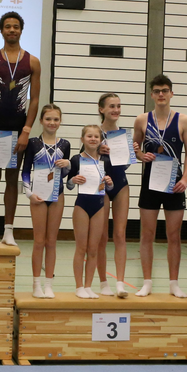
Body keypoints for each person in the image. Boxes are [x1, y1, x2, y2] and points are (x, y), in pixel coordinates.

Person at [0, 11, 41, 246]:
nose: (12, 30)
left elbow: (34, 99)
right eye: (8, 26)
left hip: (17, 125)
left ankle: (8, 230)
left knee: (12, 178)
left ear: (21, 30)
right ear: (1, 30)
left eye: (16, 26)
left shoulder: (32, 61)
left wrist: (26, 130)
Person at [133, 74, 187, 298]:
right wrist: (141, 156)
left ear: (171, 93)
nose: (161, 94)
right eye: (157, 91)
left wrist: (185, 179)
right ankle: (147, 282)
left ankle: (174, 283)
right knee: (147, 234)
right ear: (151, 94)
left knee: (173, 235)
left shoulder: (183, 120)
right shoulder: (142, 120)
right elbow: (135, 149)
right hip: (150, 183)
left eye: (165, 91)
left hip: (174, 184)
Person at [21, 104, 70, 299]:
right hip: (38, 196)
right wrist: (29, 193)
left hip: (57, 195)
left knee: (51, 241)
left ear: (60, 122)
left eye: (56, 119)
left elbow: (65, 175)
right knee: (39, 241)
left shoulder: (64, 144)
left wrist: (67, 165)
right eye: (48, 119)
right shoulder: (33, 143)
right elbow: (25, 170)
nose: (52, 123)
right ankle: (36, 284)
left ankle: (49, 284)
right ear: (41, 121)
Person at [66, 125, 115, 299]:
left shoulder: (105, 161)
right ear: (82, 139)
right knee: (81, 248)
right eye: (89, 136)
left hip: (99, 206)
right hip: (82, 206)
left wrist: (110, 183)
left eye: (96, 136)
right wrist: (73, 180)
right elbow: (69, 185)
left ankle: (88, 286)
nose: (93, 139)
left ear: (100, 140)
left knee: (93, 249)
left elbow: (111, 187)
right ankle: (79, 286)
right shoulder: (76, 159)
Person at [96, 93, 132, 297]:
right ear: (101, 109)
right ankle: (103, 282)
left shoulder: (123, 135)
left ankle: (120, 283)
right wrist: (96, 150)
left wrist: (133, 152)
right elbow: (83, 159)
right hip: (100, 184)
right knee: (102, 236)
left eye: (118, 106)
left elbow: (125, 164)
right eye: (111, 106)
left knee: (120, 234)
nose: (116, 110)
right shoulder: (94, 133)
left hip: (120, 184)